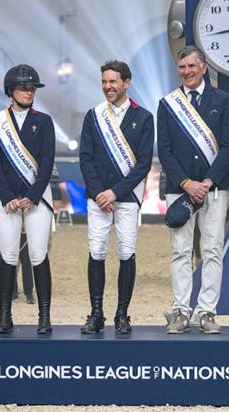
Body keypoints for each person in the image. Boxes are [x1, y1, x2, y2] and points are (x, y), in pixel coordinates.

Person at [157, 46, 229, 334]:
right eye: (182, 68)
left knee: (212, 250)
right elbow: (164, 150)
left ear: (203, 67)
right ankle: (180, 310)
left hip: (214, 190)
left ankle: (206, 311)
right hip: (180, 190)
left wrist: (208, 181)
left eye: (192, 66)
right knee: (180, 251)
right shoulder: (168, 104)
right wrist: (187, 183)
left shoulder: (222, 100)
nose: (187, 72)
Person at [78, 60, 154, 335]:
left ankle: (122, 314)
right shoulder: (93, 115)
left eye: (113, 82)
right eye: (104, 82)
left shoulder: (144, 117)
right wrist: (100, 192)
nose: (108, 87)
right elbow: (85, 158)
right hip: (98, 198)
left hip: (127, 198)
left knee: (126, 253)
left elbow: (143, 163)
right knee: (96, 252)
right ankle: (96, 313)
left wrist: (115, 192)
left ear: (126, 82)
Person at [0, 64, 56, 334]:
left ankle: (44, 316)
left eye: (32, 88)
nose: (29, 92)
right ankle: (5, 316)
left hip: (37, 198)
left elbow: (47, 161)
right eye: (24, 88)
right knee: (8, 255)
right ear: (11, 91)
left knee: (39, 254)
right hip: (7, 200)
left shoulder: (44, 122)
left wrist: (32, 195)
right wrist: (7, 196)